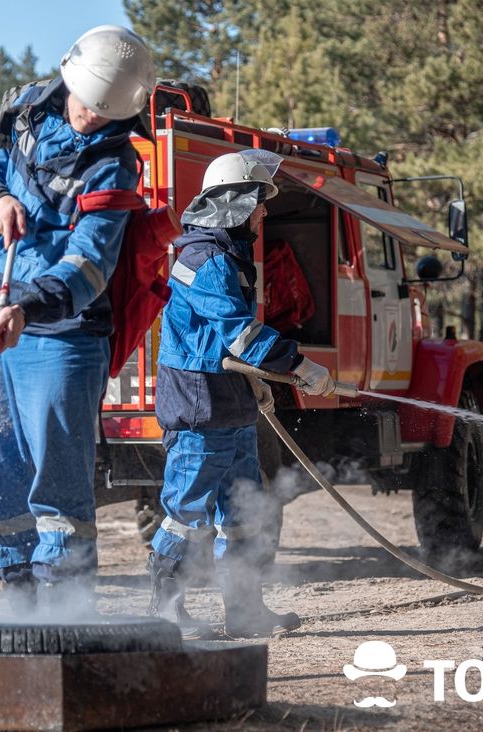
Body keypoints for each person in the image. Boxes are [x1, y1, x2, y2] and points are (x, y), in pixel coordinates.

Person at [0, 25, 155, 609]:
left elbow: (90, 264)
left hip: (62, 332)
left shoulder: (116, 165)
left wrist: (30, 306)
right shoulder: (23, 116)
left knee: (57, 474)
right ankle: (17, 595)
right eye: (89, 105)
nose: (93, 118)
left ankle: (67, 604)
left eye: (106, 111)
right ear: (69, 81)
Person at [147, 150, 336, 638]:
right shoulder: (204, 260)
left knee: (245, 512)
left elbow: (230, 345)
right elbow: (241, 338)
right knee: (187, 514)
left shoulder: (226, 256)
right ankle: (167, 611)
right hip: (198, 406)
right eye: (259, 202)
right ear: (235, 202)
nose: (265, 212)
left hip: (228, 403)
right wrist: (301, 366)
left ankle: (245, 610)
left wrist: (260, 385)